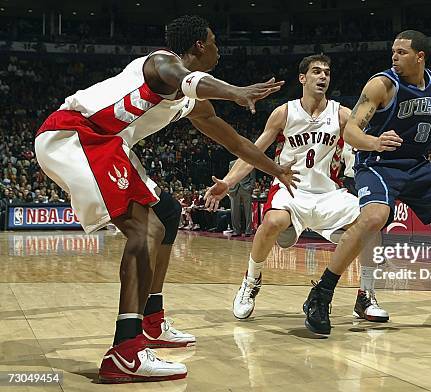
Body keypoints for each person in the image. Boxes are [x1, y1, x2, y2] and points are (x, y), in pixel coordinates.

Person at [34, 15, 296, 383]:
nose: (220, 49)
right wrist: (236, 91)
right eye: (215, 41)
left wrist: (276, 169)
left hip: (108, 145)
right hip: (77, 136)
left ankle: (152, 321)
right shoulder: (160, 63)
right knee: (146, 231)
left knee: (168, 213)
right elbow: (192, 80)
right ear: (200, 46)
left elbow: (234, 142)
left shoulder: (192, 103)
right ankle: (125, 351)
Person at [301, 30, 431, 335]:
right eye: (393, 51)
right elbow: (350, 132)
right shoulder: (382, 84)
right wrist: (374, 142)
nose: (394, 56)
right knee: (374, 217)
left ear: (420, 56)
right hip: (378, 163)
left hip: (416, 166)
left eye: (401, 52)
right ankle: (321, 294)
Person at [204, 54, 389, 323]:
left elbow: (365, 137)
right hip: (291, 189)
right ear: (302, 78)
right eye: (316, 71)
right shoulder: (285, 113)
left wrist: (378, 141)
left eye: (327, 72)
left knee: (372, 225)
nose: (323, 76)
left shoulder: (340, 114)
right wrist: (228, 182)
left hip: (329, 194)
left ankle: (366, 296)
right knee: (272, 221)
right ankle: (251, 281)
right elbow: (254, 152)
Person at [227, 159, 256, 236]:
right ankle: (236, 230)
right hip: (234, 189)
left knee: (248, 211)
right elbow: (229, 176)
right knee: (234, 211)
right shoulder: (232, 163)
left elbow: (253, 177)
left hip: (246, 188)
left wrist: (251, 187)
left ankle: (248, 231)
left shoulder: (250, 162)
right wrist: (229, 188)